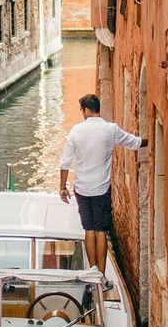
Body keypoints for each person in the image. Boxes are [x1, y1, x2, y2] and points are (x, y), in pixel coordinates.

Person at [59, 94, 147, 289]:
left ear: (87, 111)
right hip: (101, 189)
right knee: (101, 231)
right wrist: (151, 141)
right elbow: (134, 142)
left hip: (82, 188)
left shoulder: (76, 131)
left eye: (82, 111)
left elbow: (65, 162)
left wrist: (62, 187)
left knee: (89, 230)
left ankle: (92, 272)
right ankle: (102, 276)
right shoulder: (111, 130)